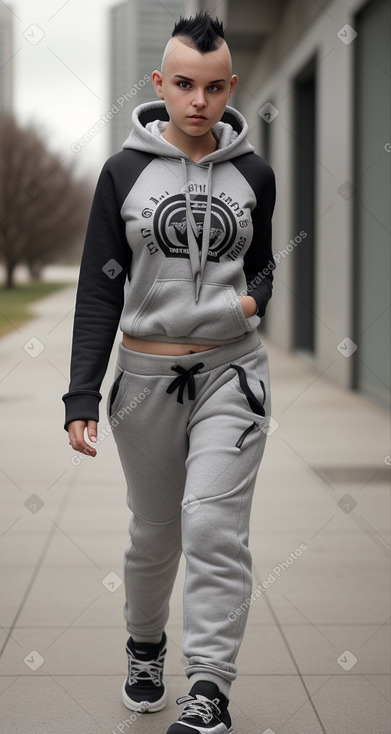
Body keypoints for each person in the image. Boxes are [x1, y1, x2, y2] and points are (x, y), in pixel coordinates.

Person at [63, 11, 276, 734]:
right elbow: (99, 286)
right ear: (159, 83)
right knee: (155, 532)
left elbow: (261, 264)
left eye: (213, 88)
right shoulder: (122, 172)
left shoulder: (253, 173)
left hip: (232, 375)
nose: (197, 101)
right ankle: (146, 646)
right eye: (183, 84)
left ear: (230, 88)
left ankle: (209, 690)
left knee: (214, 525)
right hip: (144, 381)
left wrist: (251, 300)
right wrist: (80, 393)